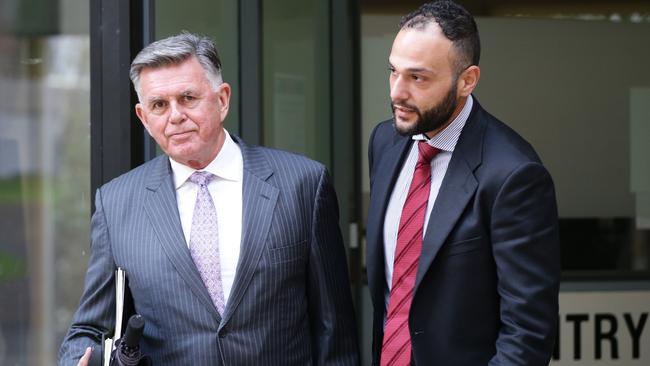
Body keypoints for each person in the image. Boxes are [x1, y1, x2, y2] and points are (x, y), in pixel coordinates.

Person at [59, 32, 359, 366]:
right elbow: (88, 328)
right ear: (144, 118)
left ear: (222, 99)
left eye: (188, 98)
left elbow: (335, 333)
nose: (175, 116)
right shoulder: (116, 203)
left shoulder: (303, 184)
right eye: (159, 105)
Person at [365, 1, 560, 365]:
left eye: (417, 77)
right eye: (393, 72)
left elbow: (528, 333)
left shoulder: (514, 175)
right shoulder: (385, 142)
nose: (396, 92)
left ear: (467, 80)